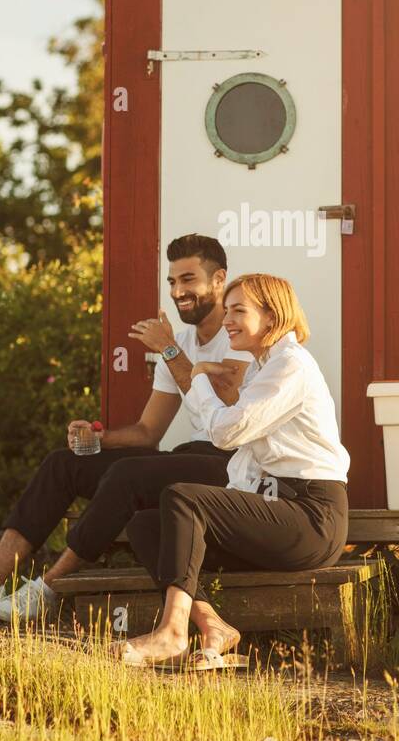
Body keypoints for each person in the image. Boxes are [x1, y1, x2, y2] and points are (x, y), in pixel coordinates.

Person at [0, 235, 253, 643]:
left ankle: (46, 590)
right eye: (171, 281)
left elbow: (226, 410)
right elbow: (148, 432)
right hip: (188, 455)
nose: (178, 291)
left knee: (130, 474)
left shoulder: (239, 336)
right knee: (65, 463)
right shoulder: (178, 344)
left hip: (231, 464)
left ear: (219, 280)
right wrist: (99, 436)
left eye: (188, 279)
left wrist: (166, 351)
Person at [119, 273, 350, 668]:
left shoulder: (290, 365)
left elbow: (225, 432)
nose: (227, 320)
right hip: (275, 508)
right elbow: (219, 426)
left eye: (239, 310)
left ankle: (172, 633)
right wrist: (199, 379)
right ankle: (214, 626)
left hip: (311, 517)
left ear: (273, 317)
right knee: (146, 525)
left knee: (182, 496)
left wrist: (199, 377)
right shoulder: (264, 367)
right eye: (226, 310)